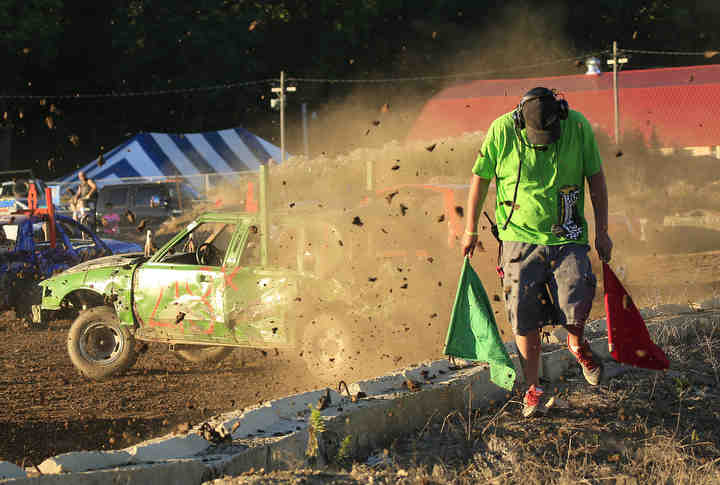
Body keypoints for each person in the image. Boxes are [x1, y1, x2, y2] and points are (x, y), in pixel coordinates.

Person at [461, 87, 613, 418]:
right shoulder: (502, 130)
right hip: (518, 235)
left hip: (567, 231)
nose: (543, 141)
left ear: (561, 116)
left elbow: (597, 180)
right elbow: (479, 180)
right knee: (522, 308)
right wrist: (470, 229)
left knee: (578, 289)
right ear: (520, 121)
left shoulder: (578, 127)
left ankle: (576, 343)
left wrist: (602, 231)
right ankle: (533, 388)